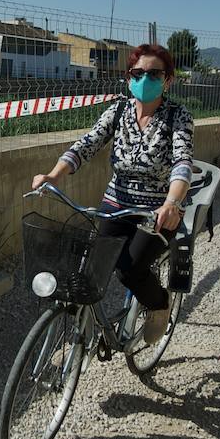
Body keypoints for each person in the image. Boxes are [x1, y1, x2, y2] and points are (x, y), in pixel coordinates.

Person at [32, 44, 194, 348]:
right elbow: (86, 145)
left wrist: (172, 203)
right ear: (129, 77)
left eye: (154, 73)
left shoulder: (178, 117)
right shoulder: (118, 110)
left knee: (130, 270)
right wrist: (53, 175)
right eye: (138, 73)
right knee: (91, 267)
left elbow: (183, 162)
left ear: (168, 80)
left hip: (155, 213)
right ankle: (89, 327)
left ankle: (159, 304)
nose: (145, 79)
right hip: (115, 204)